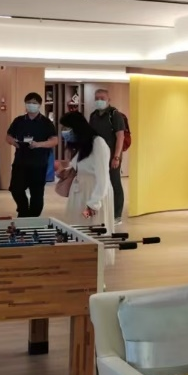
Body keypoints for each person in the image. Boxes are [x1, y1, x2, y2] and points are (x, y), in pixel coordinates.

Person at [56, 112, 114, 263]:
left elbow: (103, 177)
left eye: (67, 128)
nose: (65, 132)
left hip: (93, 193)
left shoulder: (98, 143)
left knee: (93, 229)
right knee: (78, 227)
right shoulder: (81, 145)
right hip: (80, 192)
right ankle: (80, 261)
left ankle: (95, 264)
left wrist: (94, 203)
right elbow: (82, 166)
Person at [6, 93, 59, 218]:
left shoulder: (46, 122)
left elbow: (54, 141)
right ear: (25, 104)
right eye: (29, 102)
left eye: (34, 103)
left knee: (37, 194)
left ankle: (33, 217)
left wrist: (39, 144)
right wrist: (14, 142)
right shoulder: (19, 121)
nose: (31, 105)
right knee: (16, 189)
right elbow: (8, 136)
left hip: (38, 164)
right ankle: (23, 210)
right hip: (20, 162)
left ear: (39, 105)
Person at [88, 89, 127, 223]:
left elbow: (120, 137)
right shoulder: (93, 115)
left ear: (108, 100)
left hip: (112, 156)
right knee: (100, 182)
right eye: (97, 98)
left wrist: (116, 157)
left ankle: (117, 215)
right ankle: (101, 210)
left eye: (102, 98)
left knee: (115, 183)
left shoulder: (115, 115)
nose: (99, 101)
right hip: (97, 155)